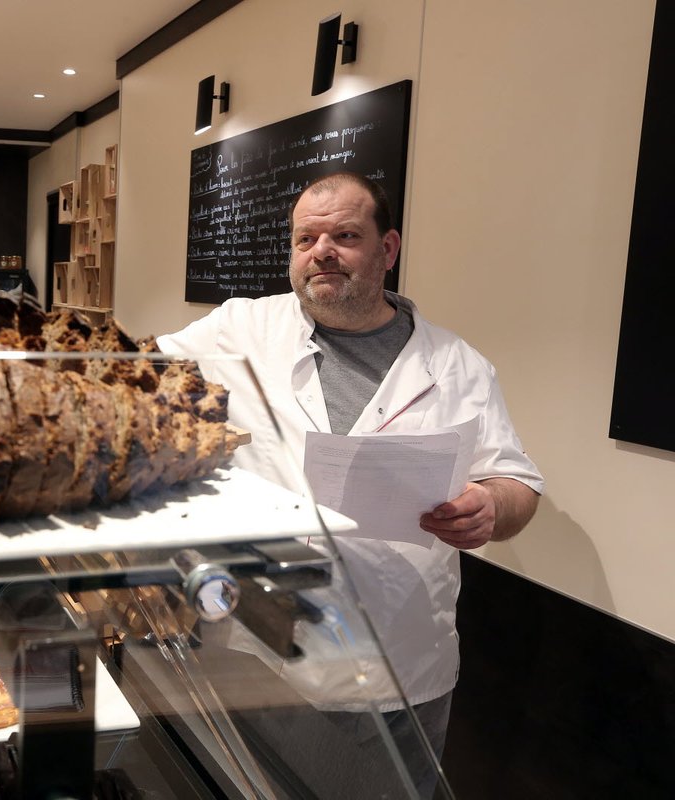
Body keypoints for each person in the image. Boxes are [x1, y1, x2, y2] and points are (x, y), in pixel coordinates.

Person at [157, 171, 544, 797]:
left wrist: (489, 507)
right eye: (306, 238)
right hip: (255, 650)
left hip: (395, 662)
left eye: (345, 235)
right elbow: (136, 372)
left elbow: (517, 484)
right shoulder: (241, 329)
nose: (322, 252)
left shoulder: (455, 365)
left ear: (387, 250)